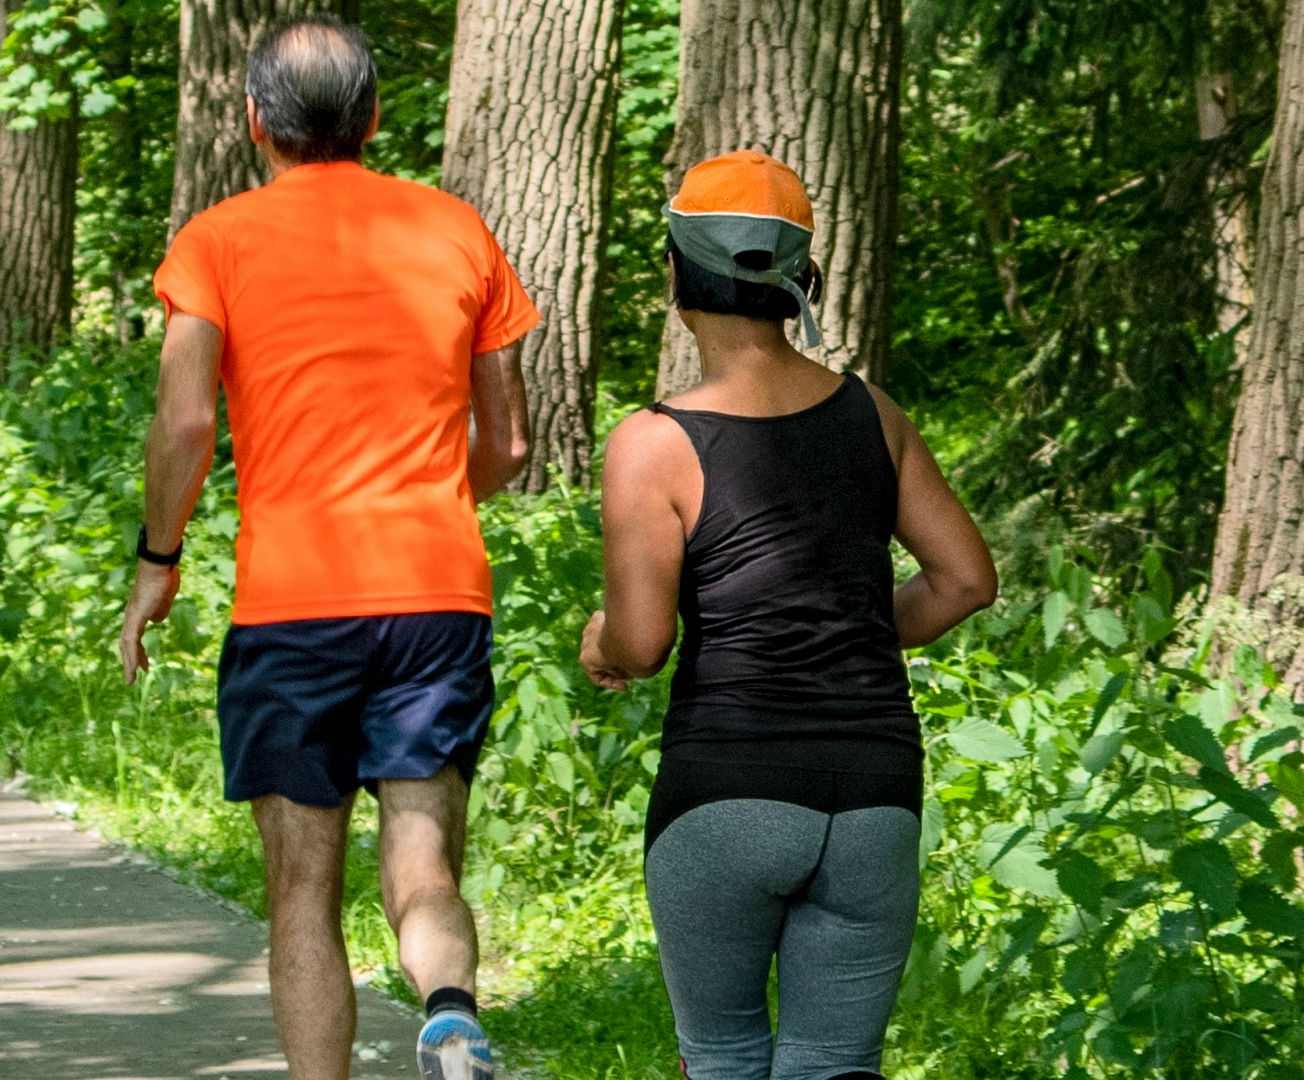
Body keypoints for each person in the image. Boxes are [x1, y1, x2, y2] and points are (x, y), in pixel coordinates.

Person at [118, 17, 539, 1080]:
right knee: (423, 849)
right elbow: (515, 442)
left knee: (302, 886)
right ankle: (448, 1013)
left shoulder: (213, 242)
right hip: (437, 593)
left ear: (257, 121)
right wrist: (437, 497)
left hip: (291, 606)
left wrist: (157, 561)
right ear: (375, 118)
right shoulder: (454, 228)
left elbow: (182, 427)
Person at [578, 150, 999, 1080]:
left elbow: (641, 643)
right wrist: (837, 623)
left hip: (729, 785)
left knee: (723, 1059)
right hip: (874, 796)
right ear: (800, 277)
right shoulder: (873, 414)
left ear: (679, 273)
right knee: (835, 1065)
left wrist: (598, 643)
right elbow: (965, 580)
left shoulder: (654, 442)